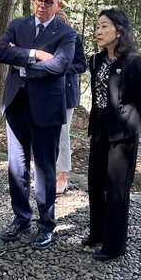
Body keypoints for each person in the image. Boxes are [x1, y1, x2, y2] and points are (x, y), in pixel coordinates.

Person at [0, 0, 76, 250]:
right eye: (39, 0)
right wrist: (35, 54)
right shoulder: (19, 25)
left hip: (47, 109)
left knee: (44, 168)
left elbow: (61, 66)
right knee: (17, 166)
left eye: (48, 2)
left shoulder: (66, 34)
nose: (42, 6)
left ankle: (46, 224)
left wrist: (24, 66)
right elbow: (1, 52)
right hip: (17, 104)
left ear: (59, 5)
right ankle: (21, 218)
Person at [85, 8, 141, 261]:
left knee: (116, 189)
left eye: (104, 26)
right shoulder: (96, 60)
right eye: (97, 27)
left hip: (124, 133)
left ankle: (114, 247)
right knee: (94, 182)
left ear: (119, 30)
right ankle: (97, 234)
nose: (98, 31)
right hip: (100, 129)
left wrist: (131, 126)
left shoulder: (134, 61)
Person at [55, 10, 87, 194]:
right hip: (45, 94)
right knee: (45, 135)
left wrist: (63, 68)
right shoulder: (44, 37)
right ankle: (47, 173)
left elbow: (82, 64)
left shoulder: (74, 38)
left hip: (66, 93)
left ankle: (62, 176)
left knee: (63, 134)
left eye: (61, 22)